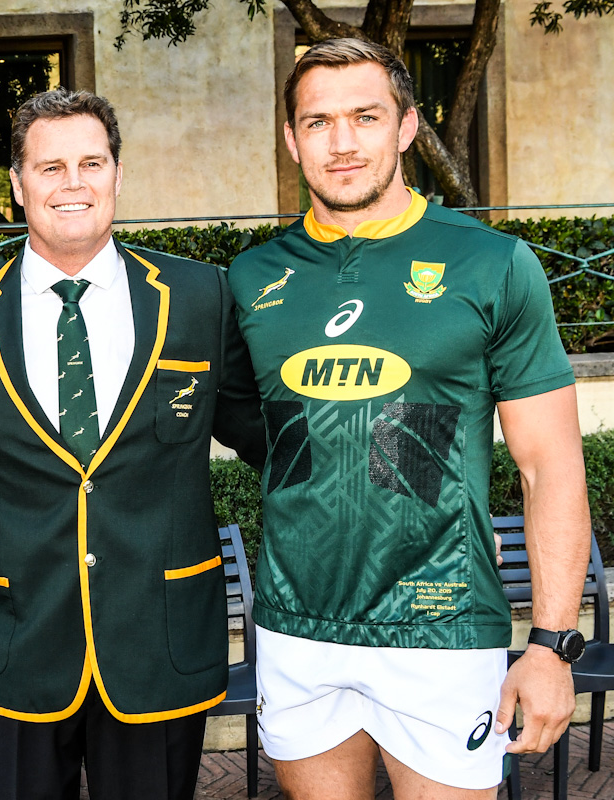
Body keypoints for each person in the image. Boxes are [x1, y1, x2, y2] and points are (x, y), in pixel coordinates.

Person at [228, 38, 590, 798]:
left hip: (441, 627)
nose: (343, 142)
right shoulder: (252, 276)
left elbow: (549, 466)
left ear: (406, 127)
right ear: (292, 139)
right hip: (297, 629)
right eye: (318, 122)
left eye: (366, 116)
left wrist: (553, 644)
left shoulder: (493, 264)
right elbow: (266, 432)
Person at [0, 88, 266, 799]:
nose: (73, 183)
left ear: (117, 174)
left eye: (91, 163)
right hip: (12, 638)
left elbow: (265, 436)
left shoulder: (200, 296)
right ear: (17, 184)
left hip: (158, 639)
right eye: (51, 167)